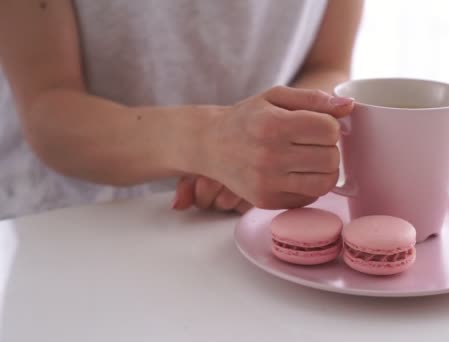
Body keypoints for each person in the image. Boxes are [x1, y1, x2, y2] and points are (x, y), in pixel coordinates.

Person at [0, 0, 363, 219]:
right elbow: (48, 109)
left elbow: (328, 64)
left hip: (254, 218)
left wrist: (276, 140)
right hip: (67, 220)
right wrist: (214, 144)